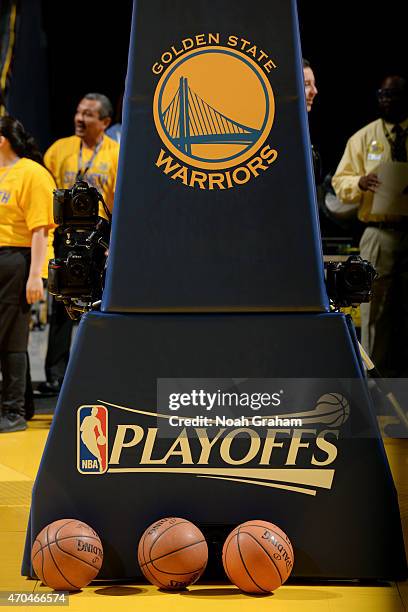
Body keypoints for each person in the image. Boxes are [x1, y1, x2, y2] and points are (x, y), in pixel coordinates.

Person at [37, 93, 119, 395]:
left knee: (98, 303)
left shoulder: (117, 153)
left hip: (99, 238)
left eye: (88, 114)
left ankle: (100, 369)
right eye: (78, 112)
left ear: (105, 122)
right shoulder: (59, 150)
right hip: (64, 235)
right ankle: (56, 375)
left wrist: (113, 242)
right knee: (61, 302)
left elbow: (119, 201)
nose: (79, 119)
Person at [332, 75, 408, 377]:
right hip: (380, 233)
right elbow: (340, 183)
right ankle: (373, 382)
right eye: (383, 94)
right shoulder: (364, 138)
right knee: (374, 313)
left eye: (395, 95)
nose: (387, 100)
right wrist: (360, 182)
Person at [0, 116, 55, 432]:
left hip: (19, 260)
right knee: (8, 337)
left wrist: (36, 275)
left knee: (13, 337)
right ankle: (25, 407)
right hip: (3, 259)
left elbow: (40, 230)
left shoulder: (32, 174)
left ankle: (13, 412)